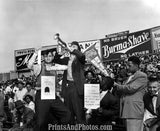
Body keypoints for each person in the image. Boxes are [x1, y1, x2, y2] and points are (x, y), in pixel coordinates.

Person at [27, 48, 71, 131]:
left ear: (52, 57)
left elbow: (66, 67)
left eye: (50, 56)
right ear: (43, 57)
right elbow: (29, 65)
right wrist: (35, 54)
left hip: (53, 95)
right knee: (40, 122)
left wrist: (61, 55)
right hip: (42, 96)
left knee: (67, 114)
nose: (48, 58)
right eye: (46, 56)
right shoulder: (39, 67)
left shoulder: (55, 67)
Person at [55, 41, 86, 124]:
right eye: (71, 46)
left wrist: (71, 49)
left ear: (78, 49)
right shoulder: (67, 60)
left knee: (79, 112)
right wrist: (61, 53)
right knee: (69, 113)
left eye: (74, 46)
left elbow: (81, 55)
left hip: (76, 87)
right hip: (67, 87)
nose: (72, 48)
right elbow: (56, 60)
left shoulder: (80, 60)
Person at [114, 56, 148, 131]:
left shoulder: (142, 76)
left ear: (136, 65)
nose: (127, 67)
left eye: (129, 65)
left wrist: (117, 86)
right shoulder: (129, 77)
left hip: (134, 111)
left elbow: (131, 88)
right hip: (127, 110)